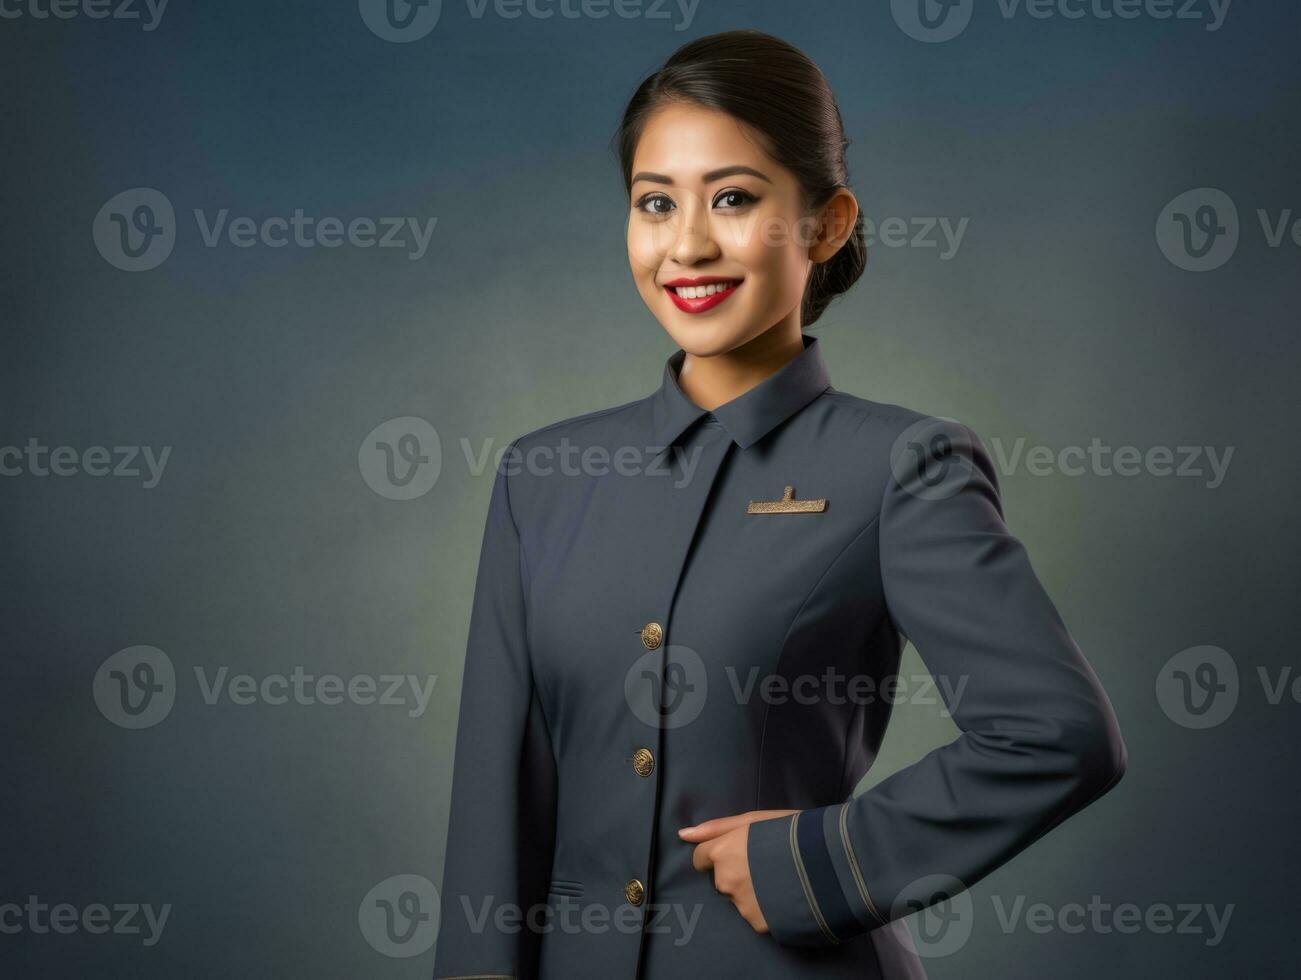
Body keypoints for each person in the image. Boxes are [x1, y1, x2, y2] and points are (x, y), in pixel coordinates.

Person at [432, 29, 1126, 980]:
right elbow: (496, 815)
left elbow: (1059, 735)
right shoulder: (540, 477)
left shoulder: (900, 465)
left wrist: (818, 865)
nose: (686, 244)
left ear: (826, 224)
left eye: (733, 198)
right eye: (653, 204)